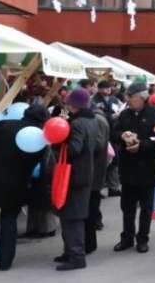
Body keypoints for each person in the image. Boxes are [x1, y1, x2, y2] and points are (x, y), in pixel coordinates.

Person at [0, 104, 49, 272]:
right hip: (17, 183)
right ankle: (5, 262)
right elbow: (38, 161)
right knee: (9, 220)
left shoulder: (5, 125)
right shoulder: (40, 138)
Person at [112, 82, 155, 253]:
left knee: (146, 208)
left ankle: (143, 238)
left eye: (132, 97)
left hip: (148, 167)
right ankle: (126, 237)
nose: (129, 100)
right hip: (128, 167)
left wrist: (141, 145)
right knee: (127, 207)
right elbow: (114, 132)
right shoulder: (125, 114)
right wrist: (123, 135)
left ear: (142, 98)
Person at [55, 88, 101, 271]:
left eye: (68, 103)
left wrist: (59, 143)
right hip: (84, 172)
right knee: (71, 215)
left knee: (72, 217)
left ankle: (76, 256)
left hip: (74, 174)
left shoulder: (78, 123)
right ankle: (69, 252)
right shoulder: (92, 120)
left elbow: (74, 149)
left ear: (73, 105)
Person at [86, 103, 111, 253]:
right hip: (94, 170)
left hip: (94, 171)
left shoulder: (98, 120)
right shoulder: (97, 118)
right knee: (91, 207)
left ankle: (90, 243)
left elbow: (99, 145)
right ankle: (90, 241)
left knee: (91, 208)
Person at [93, 80, 123, 198]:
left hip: (113, 132)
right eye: (105, 88)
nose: (108, 90)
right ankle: (97, 189)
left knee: (114, 160)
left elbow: (119, 109)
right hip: (101, 133)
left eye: (109, 88)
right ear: (99, 89)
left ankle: (113, 187)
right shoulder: (94, 100)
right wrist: (111, 116)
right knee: (101, 162)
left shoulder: (114, 99)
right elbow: (96, 114)